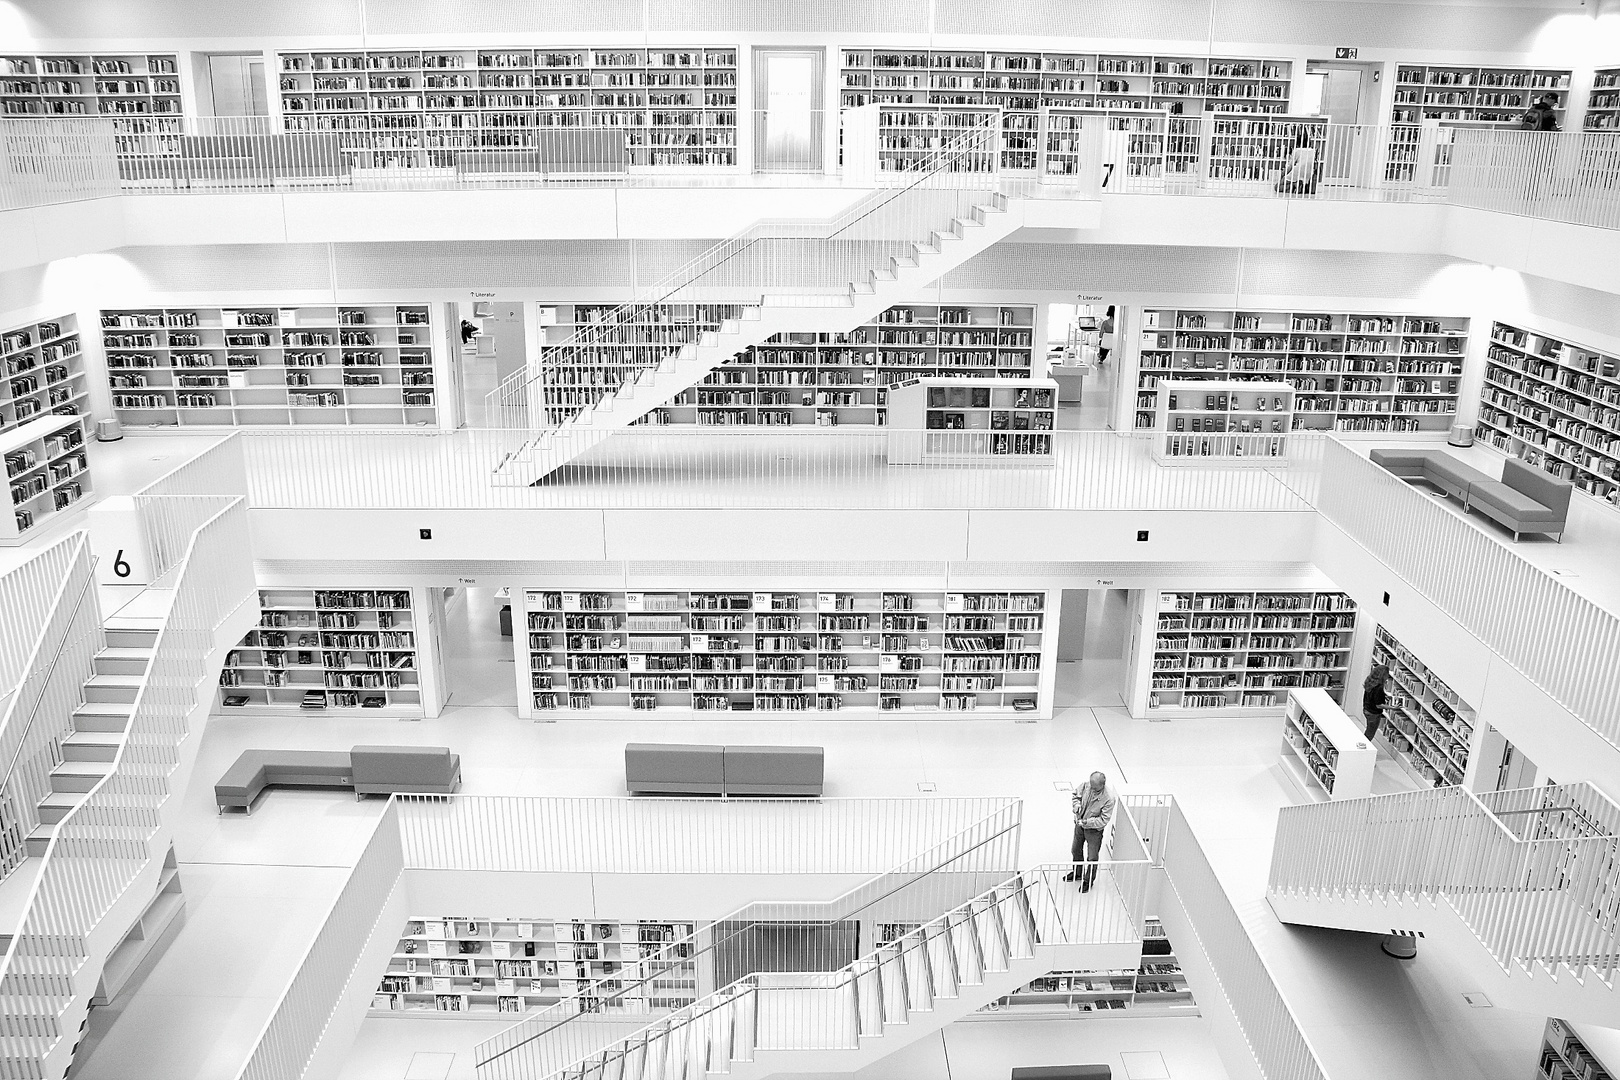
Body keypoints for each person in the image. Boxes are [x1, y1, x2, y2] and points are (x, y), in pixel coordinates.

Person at [1064, 771, 1116, 893]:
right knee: (1075, 850)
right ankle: (1077, 873)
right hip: (1080, 825)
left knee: (1092, 858)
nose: (1091, 789)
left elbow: (1103, 820)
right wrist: (1076, 805)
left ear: (1102, 785)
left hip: (1094, 831)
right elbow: (1076, 795)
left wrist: (1087, 822)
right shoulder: (1086, 785)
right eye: (1090, 786)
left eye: (1095, 788)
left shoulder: (1109, 798)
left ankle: (1088, 881)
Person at [1274, 130, 1317, 196]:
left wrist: (1282, 175)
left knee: (1277, 187)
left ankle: (1294, 184)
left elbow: (1290, 166)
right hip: (1309, 173)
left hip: (1297, 172)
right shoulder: (1313, 151)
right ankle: (1302, 187)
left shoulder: (1297, 150)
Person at [1362, 664, 1392, 740]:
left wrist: (1384, 696)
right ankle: (1364, 748)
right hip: (1374, 713)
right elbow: (1379, 705)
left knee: (1369, 729)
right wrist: (1392, 707)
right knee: (1370, 733)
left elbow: (1373, 696)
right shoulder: (1379, 688)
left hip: (1366, 709)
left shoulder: (1370, 681)